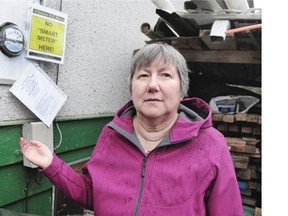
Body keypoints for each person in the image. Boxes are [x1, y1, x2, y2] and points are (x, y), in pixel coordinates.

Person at [19, 42, 243, 216]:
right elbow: (92, 193)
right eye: (143, 75)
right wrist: (52, 164)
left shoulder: (209, 144)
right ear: (132, 87)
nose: (153, 85)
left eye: (165, 75)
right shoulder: (112, 134)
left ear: (182, 90)